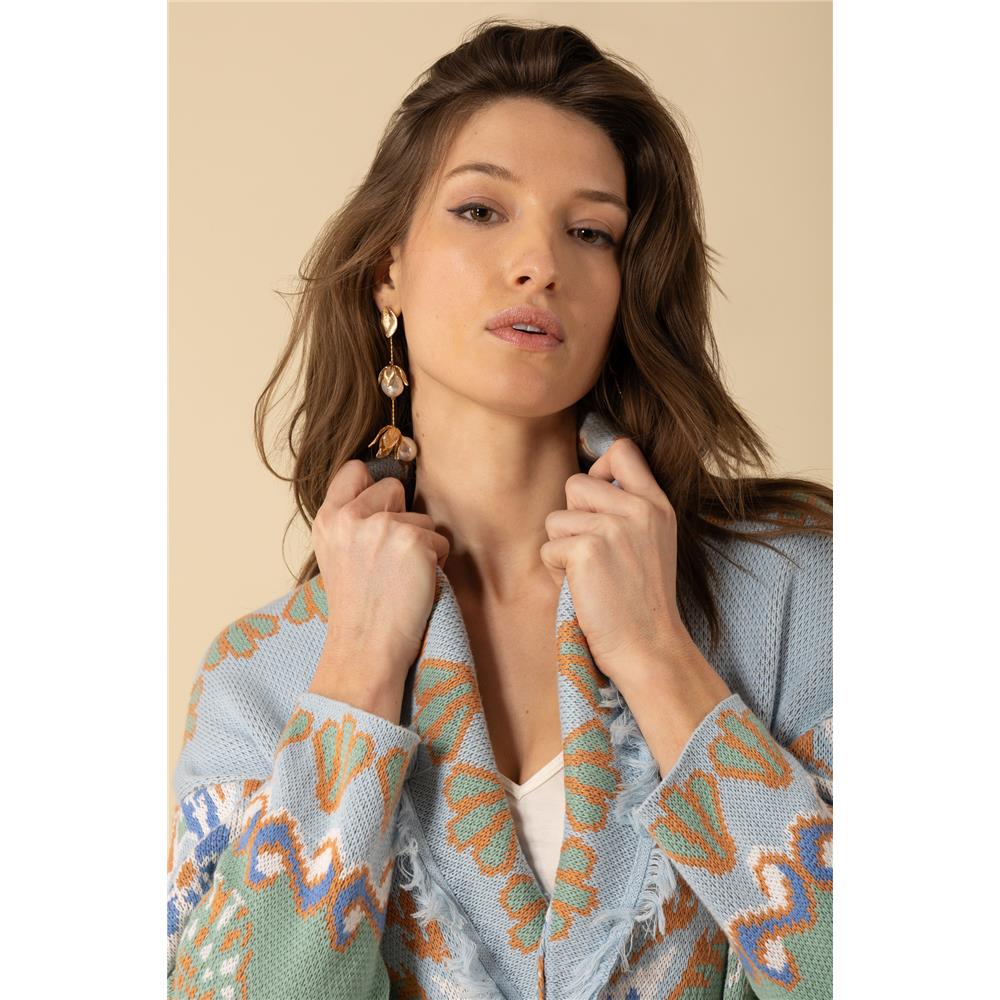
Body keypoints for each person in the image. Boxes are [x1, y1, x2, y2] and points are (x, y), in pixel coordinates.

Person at [168, 17, 832, 1000]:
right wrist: (356, 674)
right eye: (481, 210)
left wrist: (659, 657)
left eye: (590, 231)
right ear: (388, 268)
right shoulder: (260, 676)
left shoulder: (792, 600)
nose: (539, 262)